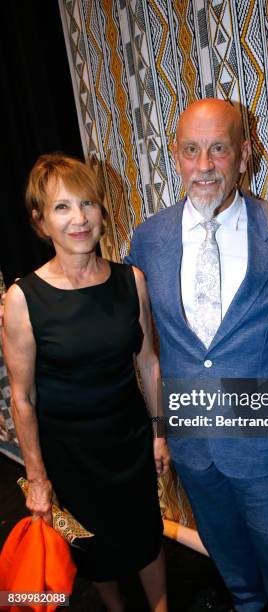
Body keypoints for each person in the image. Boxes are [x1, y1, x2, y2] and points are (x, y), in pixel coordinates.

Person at [125, 99, 268, 612]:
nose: (203, 165)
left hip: (266, 448)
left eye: (219, 149)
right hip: (193, 448)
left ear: (244, 155)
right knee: (236, 577)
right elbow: (128, 328)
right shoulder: (149, 238)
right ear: (176, 156)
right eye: (191, 150)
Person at [2, 154, 170, 612]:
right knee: (92, 547)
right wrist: (36, 479)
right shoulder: (23, 299)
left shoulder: (130, 280)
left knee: (145, 533)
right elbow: (22, 397)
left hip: (130, 438)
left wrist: (159, 434)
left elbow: (149, 363)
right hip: (70, 452)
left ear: (101, 211)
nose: (78, 218)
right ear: (40, 223)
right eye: (61, 208)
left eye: (87, 204)